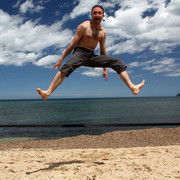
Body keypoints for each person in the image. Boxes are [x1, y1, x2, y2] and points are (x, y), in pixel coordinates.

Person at [37, 5, 145, 100]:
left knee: (118, 62)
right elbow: (73, 44)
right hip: (79, 53)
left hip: (91, 56)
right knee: (67, 67)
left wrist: (104, 69)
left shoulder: (103, 32)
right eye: (95, 13)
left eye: (99, 13)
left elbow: (102, 51)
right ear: (91, 15)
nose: (97, 15)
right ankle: (48, 92)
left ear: (103, 16)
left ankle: (132, 87)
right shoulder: (84, 26)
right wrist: (61, 59)